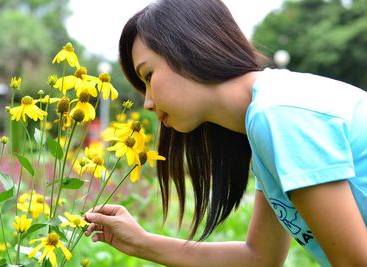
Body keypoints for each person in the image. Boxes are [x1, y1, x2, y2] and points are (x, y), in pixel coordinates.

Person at [84, 0, 367, 266]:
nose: (147, 102)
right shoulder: (265, 121)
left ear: (189, 50)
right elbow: (260, 257)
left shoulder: (278, 113)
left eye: (148, 76)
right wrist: (142, 243)